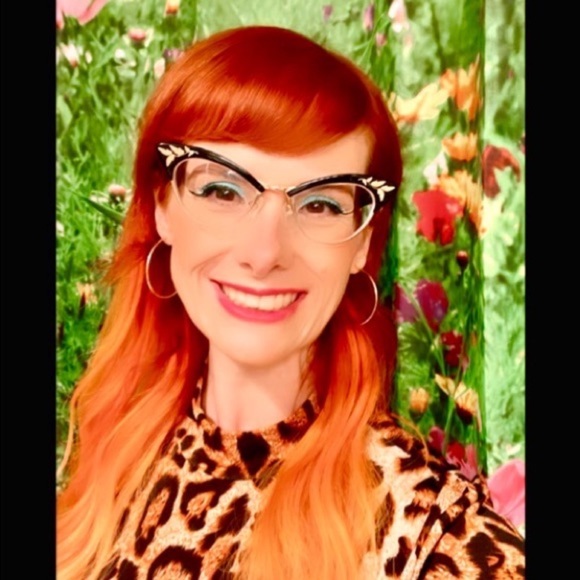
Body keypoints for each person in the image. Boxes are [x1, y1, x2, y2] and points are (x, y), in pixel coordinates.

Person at [56, 25, 525, 580]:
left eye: (320, 204)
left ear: (363, 243)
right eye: (222, 190)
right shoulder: (119, 450)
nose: (264, 254)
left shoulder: (432, 533)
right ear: (162, 206)